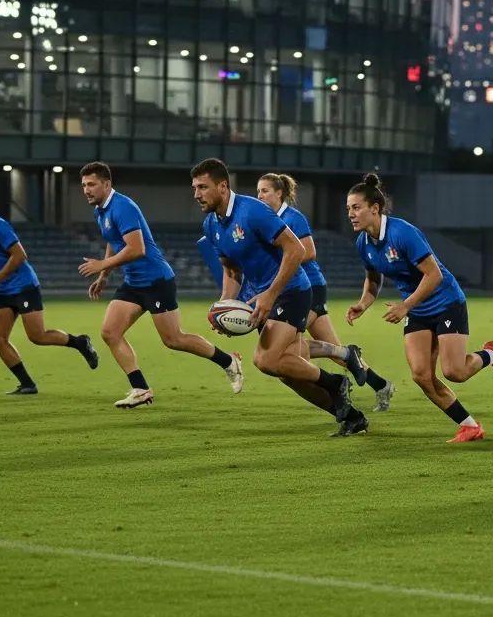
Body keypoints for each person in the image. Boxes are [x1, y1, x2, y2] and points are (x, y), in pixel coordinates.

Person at [192, 158, 368, 436]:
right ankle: (351, 416)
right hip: (260, 299)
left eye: (203, 187)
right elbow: (231, 269)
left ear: (223, 186)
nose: (196, 194)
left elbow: (297, 250)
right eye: (195, 188)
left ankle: (336, 383)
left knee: (265, 360)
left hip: (290, 291)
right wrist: (226, 305)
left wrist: (270, 293)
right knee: (289, 372)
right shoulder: (210, 225)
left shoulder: (253, 211)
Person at [345, 173, 493, 443]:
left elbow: (434, 274)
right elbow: (373, 278)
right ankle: (470, 426)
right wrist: (364, 303)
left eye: (356, 207)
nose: (351, 214)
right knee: (422, 376)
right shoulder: (362, 243)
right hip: (418, 311)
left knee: (454, 372)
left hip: (446, 302)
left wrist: (405, 305)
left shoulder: (402, 233)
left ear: (374, 208)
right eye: (349, 209)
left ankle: (492, 355)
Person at [78, 161, 243, 408]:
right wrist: (105, 275)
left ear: (106, 184)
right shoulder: (100, 210)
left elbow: (136, 248)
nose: (86, 190)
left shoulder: (123, 207)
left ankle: (229, 361)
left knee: (174, 339)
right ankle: (141, 389)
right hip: (133, 282)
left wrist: (101, 266)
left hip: (156, 280)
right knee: (110, 332)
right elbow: (115, 240)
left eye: (91, 184)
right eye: (83, 185)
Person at [256, 173, 396, 411]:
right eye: (258, 191)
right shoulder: (265, 220)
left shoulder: (292, 217)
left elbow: (308, 252)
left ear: (279, 193)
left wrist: (283, 254)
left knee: (289, 350)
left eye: (265, 191)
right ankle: (381, 385)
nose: (259, 196)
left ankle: (342, 374)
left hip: (308, 287)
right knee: (333, 353)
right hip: (291, 290)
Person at [0, 185, 98, 394]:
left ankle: (80, 342)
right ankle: (27, 384)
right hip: (2, 291)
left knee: (37, 336)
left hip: (23, 285)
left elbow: (20, 255)